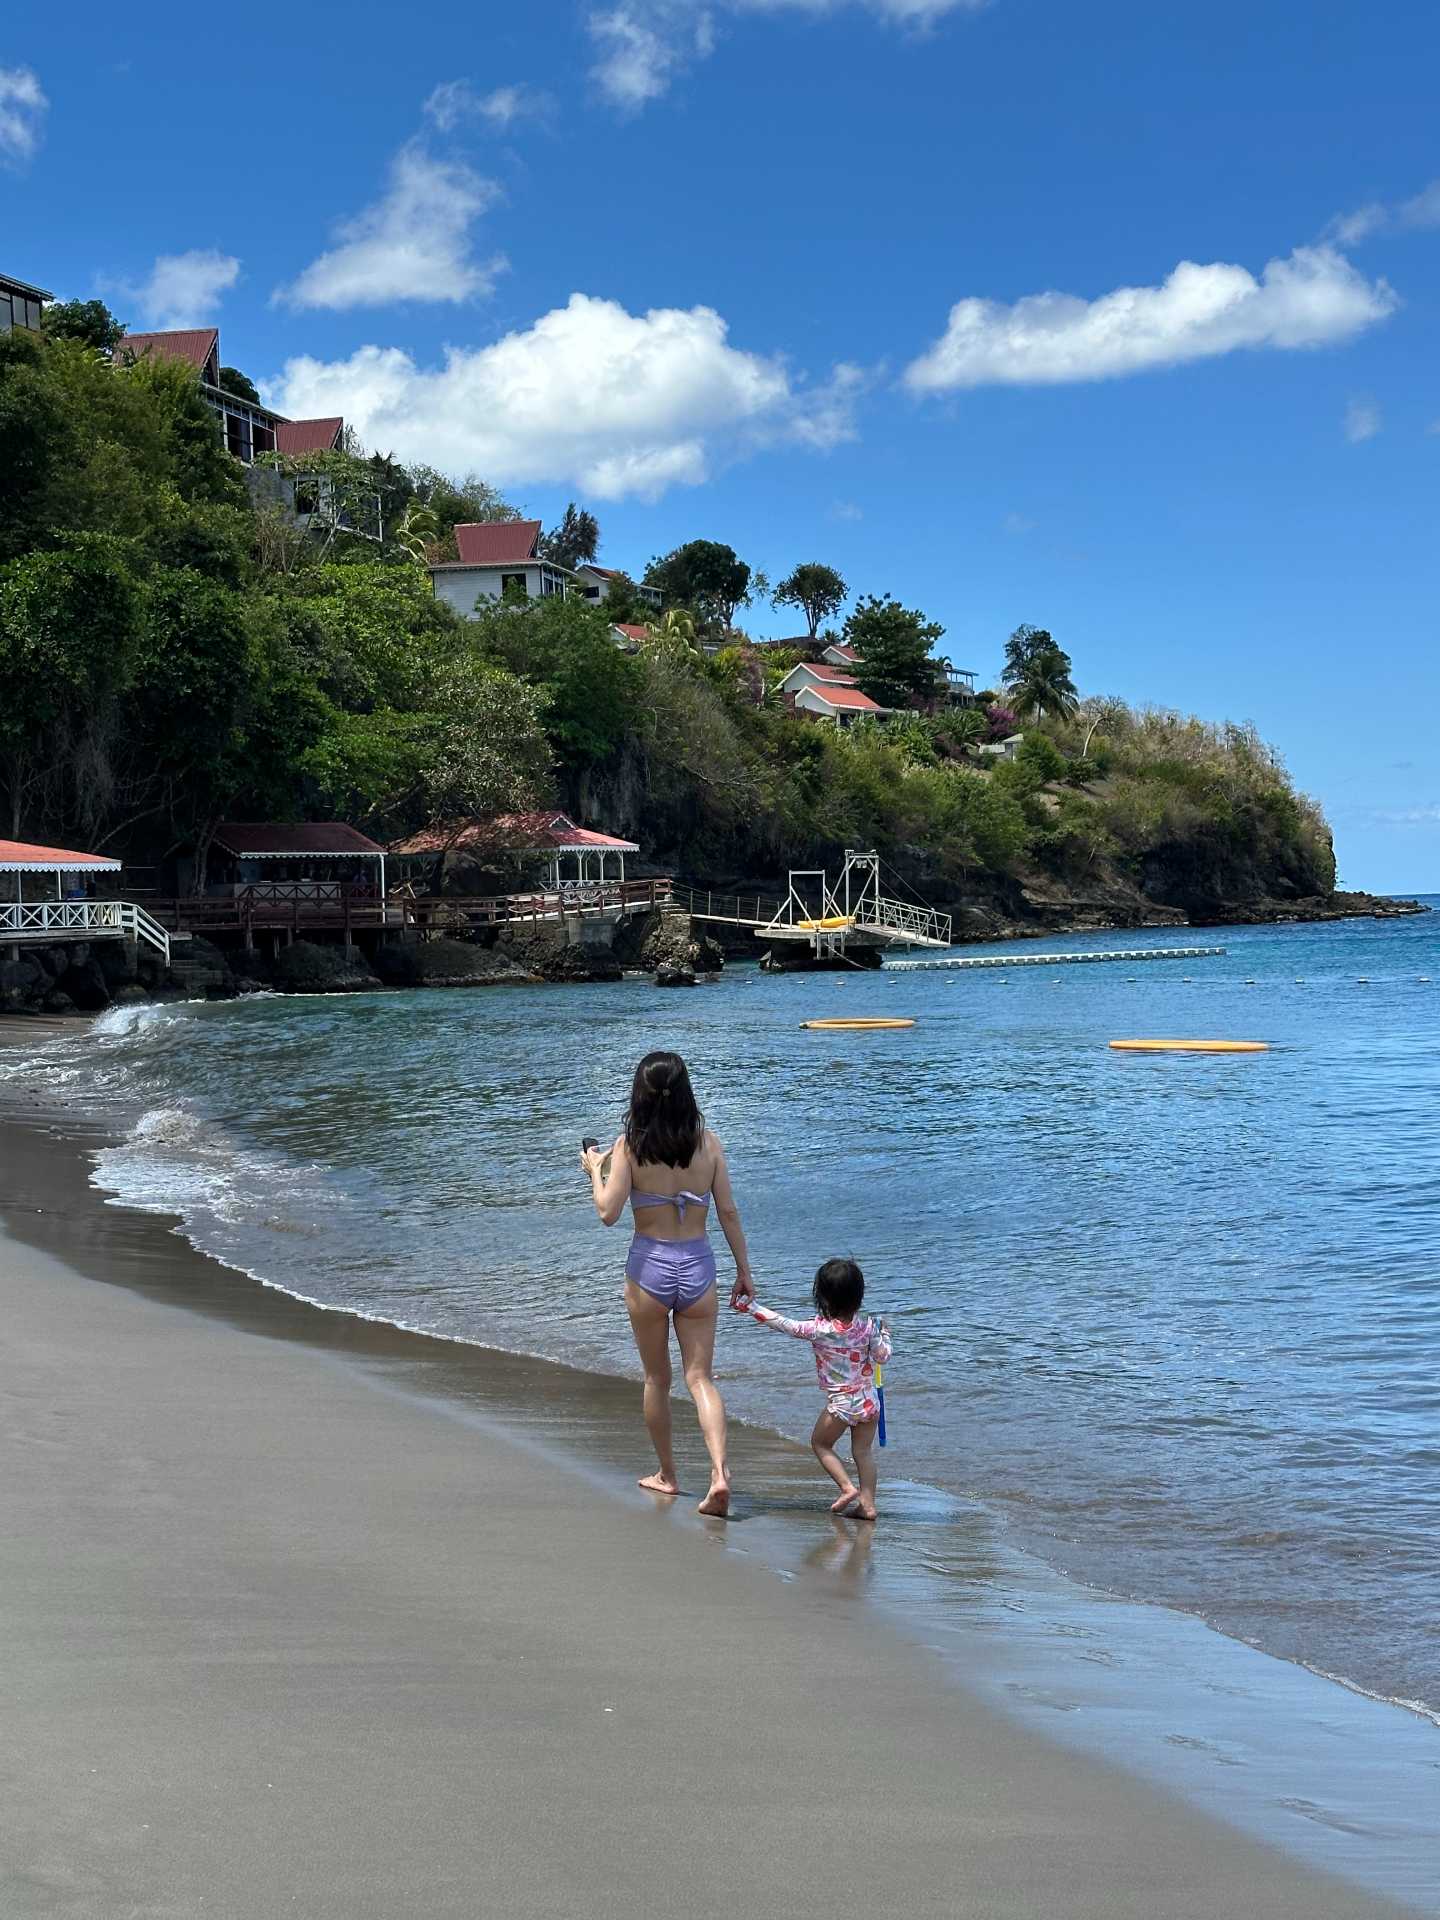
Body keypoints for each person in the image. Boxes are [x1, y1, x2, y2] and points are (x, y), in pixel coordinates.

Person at [582, 1051, 754, 1516]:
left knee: (657, 1378)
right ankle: (719, 1473)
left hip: (649, 1270)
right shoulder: (710, 1143)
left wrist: (595, 1170)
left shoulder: (629, 1147)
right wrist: (744, 1271)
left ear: (640, 1093)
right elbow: (729, 1212)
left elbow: (608, 1212)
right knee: (701, 1378)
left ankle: (668, 1475)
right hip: (699, 1267)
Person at [736, 1257, 890, 1521]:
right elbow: (883, 1356)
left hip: (842, 1404)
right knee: (863, 1453)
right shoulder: (868, 1329)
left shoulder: (818, 1329)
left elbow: (783, 1323)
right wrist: (884, 1333)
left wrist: (752, 1307)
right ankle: (868, 1504)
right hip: (868, 1403)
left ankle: (846, 1487)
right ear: (859, 1295)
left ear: (823, 1298)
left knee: (820, 1443)